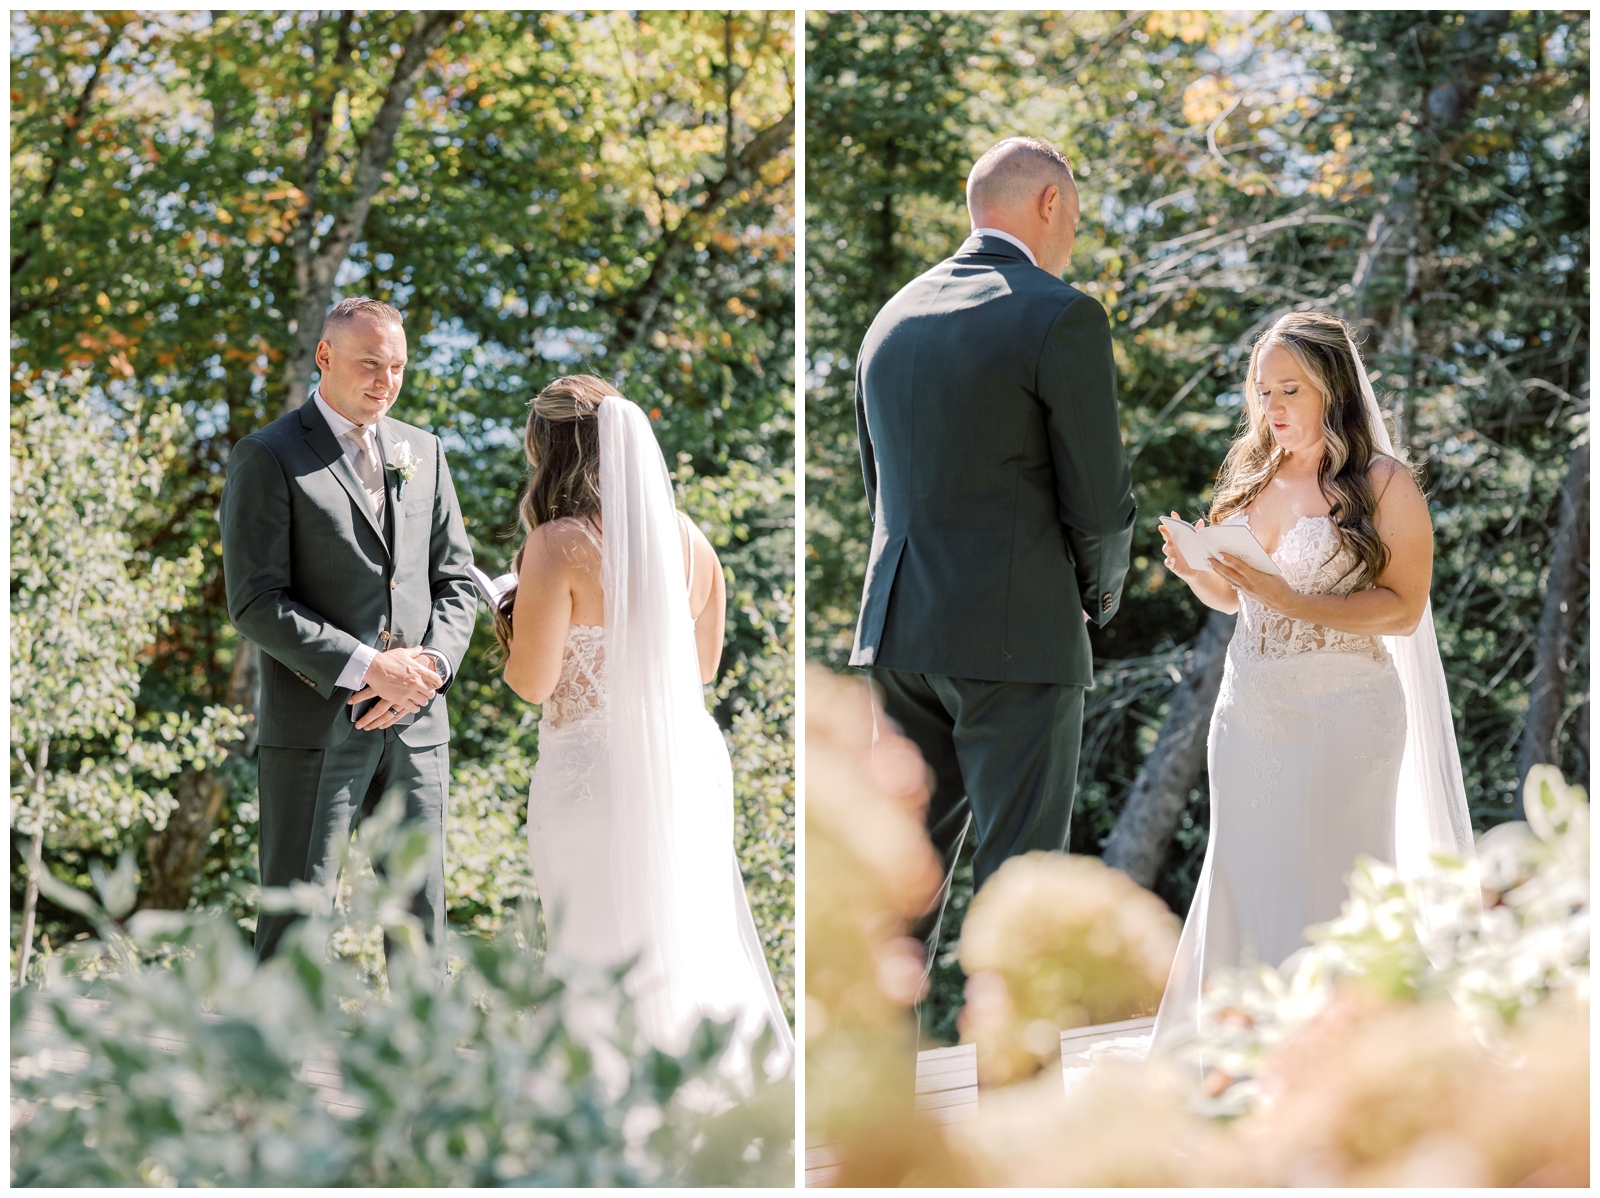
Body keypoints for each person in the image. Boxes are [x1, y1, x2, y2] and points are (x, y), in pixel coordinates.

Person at [848, 136, 1137, 997]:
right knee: (1024, 891)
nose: (1072, 238)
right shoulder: (1060, 315)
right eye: (1074, 217)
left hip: (900, 634)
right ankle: (1019, 1076)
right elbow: (1099, 501)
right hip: (1020, 635)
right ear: (1049, 203)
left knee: (899, 888)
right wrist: (1096, 597)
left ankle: (874, 1075)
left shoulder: (890, 321)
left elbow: (879, 488)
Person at [1150, 310, 1474, 1059]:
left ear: (1332, 387)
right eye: (1263, 391)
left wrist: (1295, 601)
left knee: (1332, 879)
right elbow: (1236, 600)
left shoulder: (1383, 483)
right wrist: (1198, 572)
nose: (1272, 408)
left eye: (1289, 389)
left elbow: (1403, 609)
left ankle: (1344, 1057)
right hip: (1249, 713)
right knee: (1244, 869)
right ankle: (1237, 1054)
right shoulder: (1251, 477)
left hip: (1345, 715)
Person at [495, 374, 793, 1082]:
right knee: (687, 933)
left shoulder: (557, 544)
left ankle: (602, 1092)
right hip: (686, 763)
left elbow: (531, 683)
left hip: (590, 772)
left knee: (593, 941)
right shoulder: (692, 543)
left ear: (551, 451)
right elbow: (702, 669)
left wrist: (509, 618)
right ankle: (706, 1083)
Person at [220, 297, 477, 963]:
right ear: (325, 356)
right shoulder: (268, 455)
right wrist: (369, 667)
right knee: (297, 918)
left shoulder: (425, 450)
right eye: (370, 364)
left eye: (397, 367)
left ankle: (421, 1036)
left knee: (421, 919)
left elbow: (456, 580)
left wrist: (431, 669)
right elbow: (255, 602)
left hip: (417, 724)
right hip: (316, 726)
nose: (386, 382)